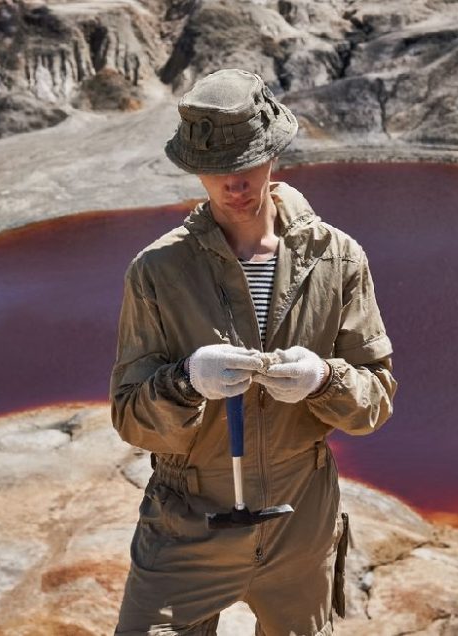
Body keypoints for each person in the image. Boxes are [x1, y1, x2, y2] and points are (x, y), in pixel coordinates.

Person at [110, 68, 398, 636]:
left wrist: (325, 381)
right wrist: (186, 381)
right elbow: (131, 419)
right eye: (215, 172)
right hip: (188, 528)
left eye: (245, 166)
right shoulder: (158, 271)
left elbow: (375, 401)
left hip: (301, 526)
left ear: (273, 155)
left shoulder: (337, 258)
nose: (232, 185)